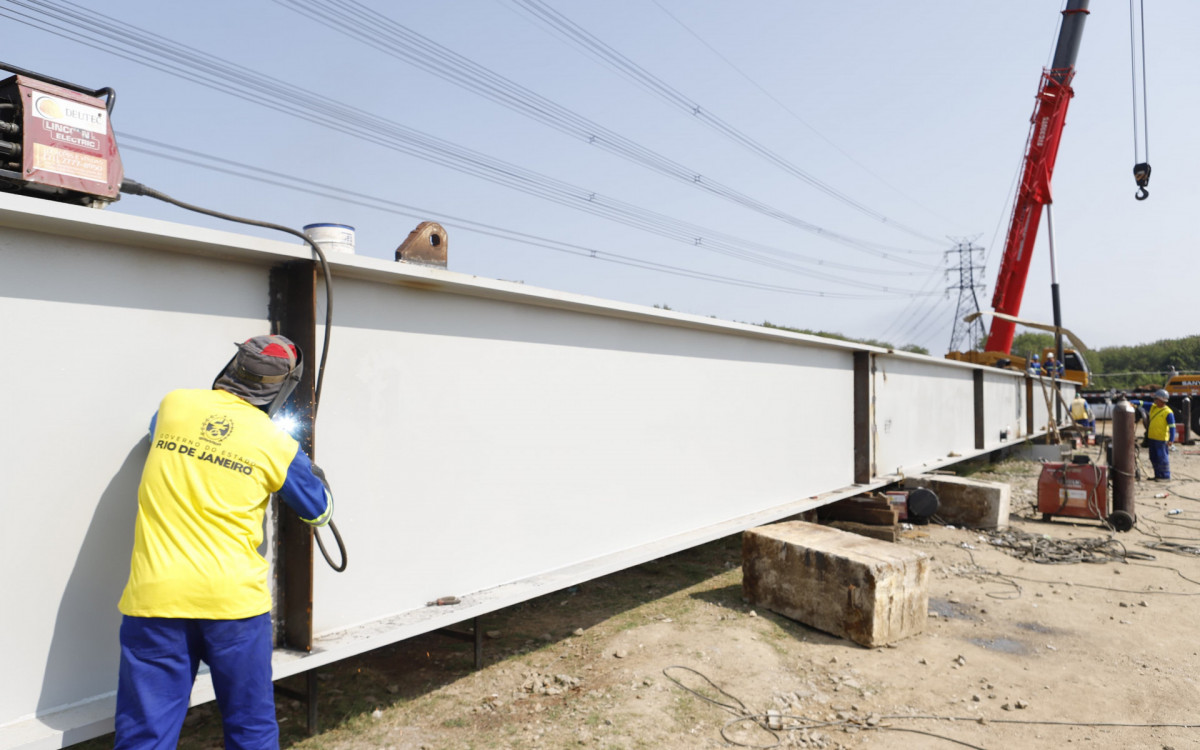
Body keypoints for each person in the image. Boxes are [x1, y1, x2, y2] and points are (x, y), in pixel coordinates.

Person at [115, 335, 333, 749]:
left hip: (155, 599)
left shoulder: (174, 405)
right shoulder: (276, 443)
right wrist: (308, 472)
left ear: (232, 366)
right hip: (232, 606)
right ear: (282, 389)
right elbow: (319, 511)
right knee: (250, 728)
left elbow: (154, 436)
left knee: (144, 733)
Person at [1130, 388, 1176, 480]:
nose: (1154, 401)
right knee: (1153, 457)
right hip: (1152, 438)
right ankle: (1157, 475)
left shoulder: (1168, 412)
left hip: (1161, 439)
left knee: (1162, 458)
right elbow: (1141, 403)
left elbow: (1172, 427)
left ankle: (1165, 476)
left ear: (1162, 400)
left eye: (1156, 399)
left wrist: (1171, 439)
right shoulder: (1153, 407)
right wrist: (1130, 402)